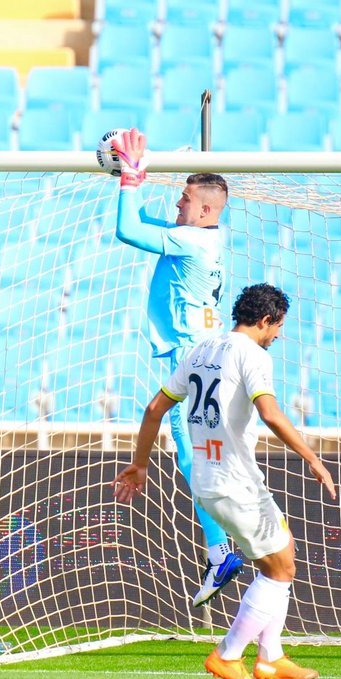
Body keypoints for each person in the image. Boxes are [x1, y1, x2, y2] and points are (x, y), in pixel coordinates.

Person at [113, 283, 336, 679]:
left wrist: (139, 465)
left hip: (205, 479)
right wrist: (314, 459)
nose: (279, 336)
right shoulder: (252, 355)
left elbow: (154, 409)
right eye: (278, 327)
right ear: (265, 320)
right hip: (237, 480)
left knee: (284, 552)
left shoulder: (201, 349)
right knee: (280, 569)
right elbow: (270, 414)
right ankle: (228, 654)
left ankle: (272, 657)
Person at [111, 127, 242, 607]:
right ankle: (222, 547)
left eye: (184, 199)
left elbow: (128, 229)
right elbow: (148, 220)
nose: (178, 205)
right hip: (199, 354)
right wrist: (145, 175)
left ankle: (220, 550)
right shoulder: (206, 235)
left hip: (190, 355)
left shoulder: (190, 241)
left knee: (193, 457)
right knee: (199, 457)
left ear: (205, 210)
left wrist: (130, 176)